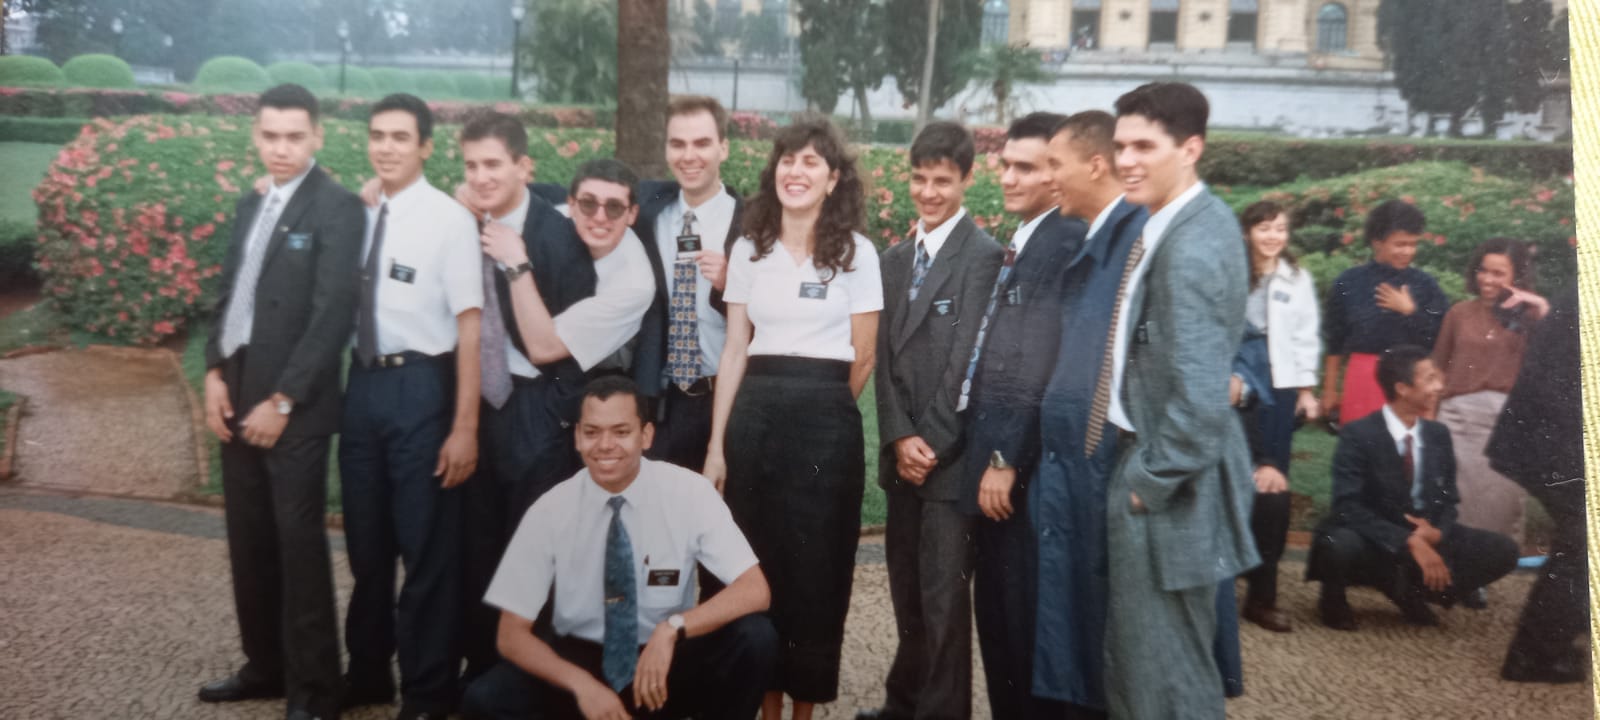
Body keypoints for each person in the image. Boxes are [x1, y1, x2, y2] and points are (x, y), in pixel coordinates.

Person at [459, 376, 779, 720]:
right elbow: (510, 635)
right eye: (592, 432)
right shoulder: (550, 509)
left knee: (754, 638)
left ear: (646, 436)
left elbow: (755, 590)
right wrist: (583, 686)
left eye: (621, 432)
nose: (605, 445)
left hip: (661, 663)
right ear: (578, 438)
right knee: (486, 699)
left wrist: (673, 627)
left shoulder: (689, 492)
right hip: (581, 660)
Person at [701, 116, 882, 720]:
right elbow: (733, 349)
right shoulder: (750, 248)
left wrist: (822, 414)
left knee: (817, 573)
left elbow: (863, 356)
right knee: (760, 562)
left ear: (833, 179)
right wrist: (717, 447)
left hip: (825, 427)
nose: (795, 172)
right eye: (787, 160)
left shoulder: (859, 254)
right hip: (755, 419)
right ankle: (766, 707)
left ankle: (804, 711)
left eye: (810, 163)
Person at [197, 83, 362, 720]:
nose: (282, 148)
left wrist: (284, 398)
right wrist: (214, 372)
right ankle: (264, 665)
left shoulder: (339, 208)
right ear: (255, 136)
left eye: (295, 136)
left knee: (298, 545)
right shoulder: (252, 203)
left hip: (292, 406)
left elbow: (331, 317)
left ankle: (315, 689)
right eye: (270, 136)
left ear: (318, 136)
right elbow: (230, 292)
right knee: (249, 539)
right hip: (236, 389)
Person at [1102, 82, 1258, 720]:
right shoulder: (1179, 222)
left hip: (1168, 485)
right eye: (1119, 146)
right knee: (1151, 666)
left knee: (1164, 678)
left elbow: (1199, 399)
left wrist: (1146, 481)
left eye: (1145, 145)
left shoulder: (1190, 242)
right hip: (1166, 476)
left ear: (1190, 148)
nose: (1127, 161)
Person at [339, 93, 483, 720]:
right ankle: (369, 670)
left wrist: (465, 428)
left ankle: (427, 690)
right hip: (364, 386)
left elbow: (471, 328)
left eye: (401, 137)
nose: (386, 147)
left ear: (426, 146)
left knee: (426, 548)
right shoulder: (362, 211)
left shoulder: (448, 220)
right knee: (367, 546)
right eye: (378, 136)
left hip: (423, 387)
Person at [448, 110, 602, 686]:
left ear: (523, 166)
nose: (482, 177)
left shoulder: (557, 235)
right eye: (471, 166)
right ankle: (481, 669)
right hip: (478, 403)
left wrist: (557, 415)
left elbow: (572, 338)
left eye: (494, 164)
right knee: (476, 540)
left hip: (537, 405)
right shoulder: (459, 220)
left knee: (531, 545)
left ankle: (532, 679)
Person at [861, 121, 1004, 720]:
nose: (929, 192)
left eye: (942, 181)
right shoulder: (894, 260)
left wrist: (931, 443)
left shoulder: (983, 257)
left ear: (967, 179)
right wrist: (897, 436)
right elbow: (883, 360)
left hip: (947, 466)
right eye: (919, 179)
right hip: (905, 460)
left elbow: (968, 362)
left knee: (944, 603)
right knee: (907, 595)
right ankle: (904, 705)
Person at [955, 112, 1089, 720]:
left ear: (1057, 177)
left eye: (1026, 167)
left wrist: (1005, 457)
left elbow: (1039, 362)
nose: (1008, 177)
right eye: (1005, 164)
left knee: (1021, 628)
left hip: (1020, 474)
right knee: (1005, 627)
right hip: (1000, 462)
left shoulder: (1059, 243)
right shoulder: (1031, 236)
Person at [1028, 110, 1145, 720]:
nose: (1050, 179)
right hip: (1071, 471)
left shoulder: (1137, 242)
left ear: (1095, 164)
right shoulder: (1100, 241)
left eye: (1056, 164)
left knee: (1102, 644)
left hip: (1103, 470)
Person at [1307, 344, 1519, 630]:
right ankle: (1334, 598)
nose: (1439, 386)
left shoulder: (1437, 434)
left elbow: (1449, 499)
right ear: (1402, 389)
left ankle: (1408, 590)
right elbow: (1347, 506)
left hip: (1424, 531)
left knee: (1503, 549)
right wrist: (1407, 540)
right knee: (1338, 544)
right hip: (1373, 535)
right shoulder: (1359, 434)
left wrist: (1437, 532)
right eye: (1430, 379)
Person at [635, 95, 744, 474]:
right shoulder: (649, 211)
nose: (688, 155)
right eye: (677, 143)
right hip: (663, 403)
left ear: (723, 148)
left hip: (725, 400)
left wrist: (732, 286)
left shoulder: (751, 225)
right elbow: (581, 201)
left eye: (701, 143)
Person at [1488, 287, 1587, 683]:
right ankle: (1536, 655)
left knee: (1579, 541)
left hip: (1553, 439)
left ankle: (1551, 641)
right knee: (1582, 543)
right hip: (1556, 443)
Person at [1232, 200, 1322, 633]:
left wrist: (1305, 389)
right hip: (1232, 377)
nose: (1273, 237)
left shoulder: (1295, 276)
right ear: (1247, 231)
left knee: (1272, 484)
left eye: (1281, 229)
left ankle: (1263, 594)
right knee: (1230, 475)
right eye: (1265, 228)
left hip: (1279, 381)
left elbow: (1306, 334)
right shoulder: (1227, 269)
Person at [1432, 239, 1548, 552]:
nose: (1488, 279)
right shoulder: (1458, 313)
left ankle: (1486, 567)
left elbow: (1554, 362)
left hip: (1506, 421)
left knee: (1499, 500)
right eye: (1483, 271)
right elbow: (1438, 370)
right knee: (1454, 498)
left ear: (1517, 277)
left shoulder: (1532, 318)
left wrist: (1539, 310)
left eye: (1499, 273)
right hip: (1456, 419)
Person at [1320, 199, 1448, 424]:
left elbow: (1440, 338)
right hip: (1364, 378)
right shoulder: (1349, 281)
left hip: (1411, 381)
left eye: (1413, 244)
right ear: (1377, 242)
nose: (1407, 251)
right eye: (1399, 244)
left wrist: (1410, 311)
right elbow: (1335, 341)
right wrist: (1330, 390)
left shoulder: (1425, 284)